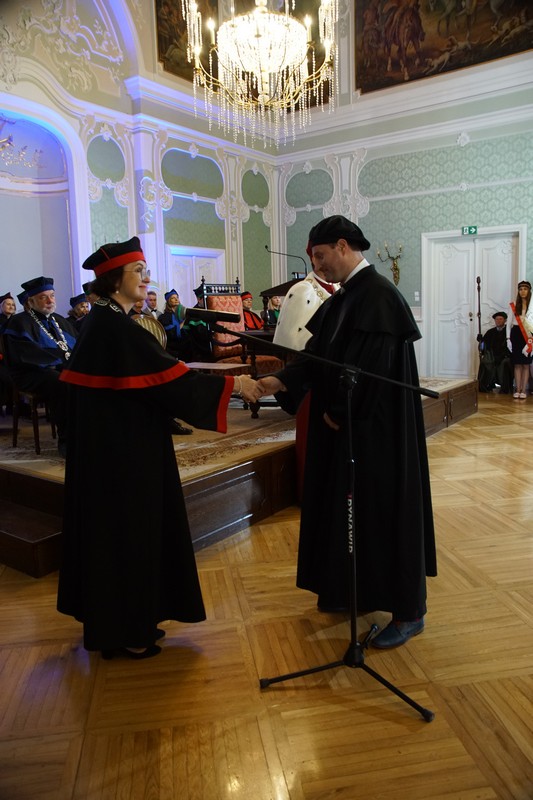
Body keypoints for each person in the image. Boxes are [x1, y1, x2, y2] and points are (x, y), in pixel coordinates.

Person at [56, 236, 261, 660]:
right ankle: (130, 631)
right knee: (130, 536)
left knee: (119, 538)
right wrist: (235, 385)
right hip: (124, 456)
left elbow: (157, 376)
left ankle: (120, 626)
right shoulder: (114, 327)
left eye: (146, 270)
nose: (147, 278)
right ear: (115, 279)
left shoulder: (107, 320)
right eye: (138, 271)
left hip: (117, 449)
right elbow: (171, 381)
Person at [257, 215, 436, 649]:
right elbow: (318, 356)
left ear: (342, 246)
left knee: (387, 515)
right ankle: (352, 590)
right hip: (351, 433)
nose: (317, 266)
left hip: (378, 435)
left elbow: (371, 370)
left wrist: (340, 414)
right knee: (351, 515)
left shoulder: (378, 295)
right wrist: (279, 381)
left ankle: (409, 612)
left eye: (320, 256)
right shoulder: (347, 296)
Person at [273, 248, 338, 500]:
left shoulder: (339, 288)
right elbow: (291, 340)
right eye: (317, 257)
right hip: (310, 374)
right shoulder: (302, 290)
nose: (321, 263)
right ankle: (310, 493)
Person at [3, 276, 77, 456]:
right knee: (60, 381)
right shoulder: (19, 322)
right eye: (44, 297)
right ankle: (67, 441)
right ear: (31, 301)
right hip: (30, 373)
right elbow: (25, 355)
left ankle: (87, 433)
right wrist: (61, 364)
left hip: (60, 370)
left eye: (52, 295)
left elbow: (78, 346)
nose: (50, 300)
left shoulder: (60, 321)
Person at [477, 312, 513, 394]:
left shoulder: (509, 332)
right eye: (496, 319)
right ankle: (485, 386)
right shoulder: (490, 332)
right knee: (485, 362)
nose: (498, 321)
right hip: (492, 356)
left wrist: (503, 355)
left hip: (504, 356)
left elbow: (511, 347)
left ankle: (505, 388)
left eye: (500, 319)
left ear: (505, 320)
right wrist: (481, 340)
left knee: (506, 363)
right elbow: (483, 346)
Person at [509, 280, 533, 399]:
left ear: (529, 291)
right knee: (517, 364)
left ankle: (524, 390)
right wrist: (508, 339)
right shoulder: (514, 305)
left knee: (526, 364)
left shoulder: (532, 306)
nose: (523, 291)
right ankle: (517, 389)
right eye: (520, 289)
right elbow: (509, 323)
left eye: (525, 289)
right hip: (516, 333)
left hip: (528, 335)